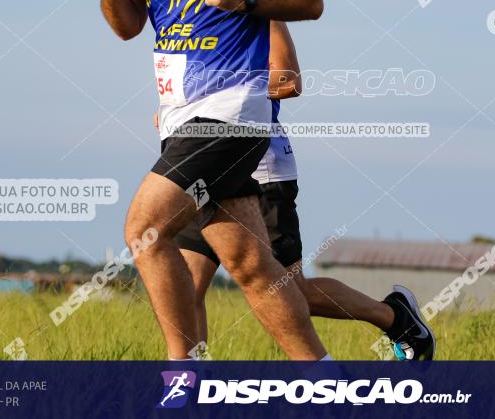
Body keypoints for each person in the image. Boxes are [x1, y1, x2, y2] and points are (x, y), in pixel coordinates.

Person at [99, 0, 328, 360]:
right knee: (253, 269)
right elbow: (127, 25)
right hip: (179, 120)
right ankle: (324, 378)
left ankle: (184, 375)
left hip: (230, 114)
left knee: (145, 230)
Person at [170, 21, 437, 361]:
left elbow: (288, 80)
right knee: (187, 285)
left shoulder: (262, 14)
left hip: (259, 170)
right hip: (204, 168)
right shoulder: (189, 22)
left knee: (294, 293)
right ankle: (190, 389)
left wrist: (213, 100)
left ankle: (395, 318)